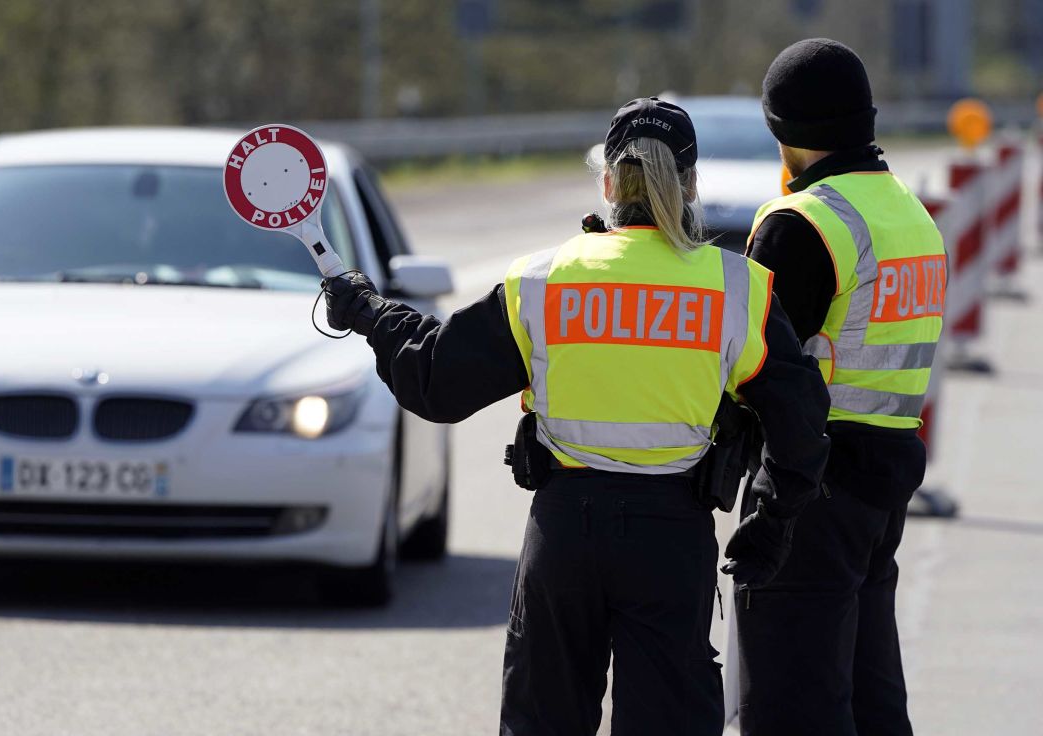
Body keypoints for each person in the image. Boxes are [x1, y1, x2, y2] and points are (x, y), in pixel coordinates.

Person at [322, 97, 831, 736]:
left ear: (610, 182)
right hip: (672, 540)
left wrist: (369, 311)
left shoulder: (543, 279)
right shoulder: (739, 289)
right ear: (692, 184)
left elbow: (436, 383)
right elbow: (802, 421)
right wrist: (772, 517)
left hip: (564, 534)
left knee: (543, 721)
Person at [736, 39, 947, 736]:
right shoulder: (911, 217)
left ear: (783, 133)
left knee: (793, 706)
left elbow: (752, 366)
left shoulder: (803, 224)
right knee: (868, 698)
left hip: (807, 491)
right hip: (882, 484)